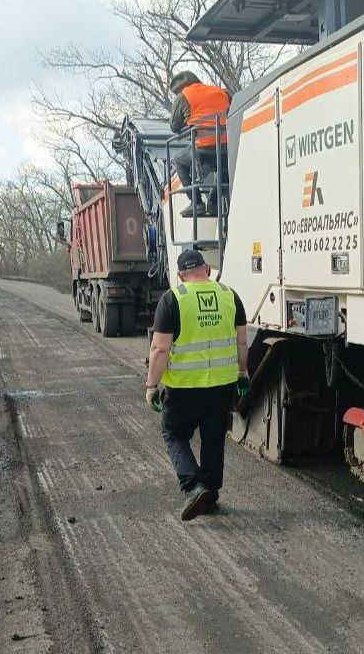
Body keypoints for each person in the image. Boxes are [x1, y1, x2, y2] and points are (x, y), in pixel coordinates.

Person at [145, 250, 250, 520]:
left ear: (180, 275)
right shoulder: (230, 296)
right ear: (208, 269)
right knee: (213, 438)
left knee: (174, 434)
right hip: (221, 386)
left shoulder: (173, 300)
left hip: (183, 387)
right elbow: (241, 341)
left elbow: (159, 349)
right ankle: (211, 496)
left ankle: (193, 486)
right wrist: (243, 373)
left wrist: (151, 386)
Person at [168, 71, 230, 217]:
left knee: (178, 160)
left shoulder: (184, 96)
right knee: (224, 166)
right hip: (226, 145)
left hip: (203, 148)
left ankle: (196, 203)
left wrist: (186, 120)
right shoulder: (221, 92)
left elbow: (174, 126)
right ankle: (214, 202)